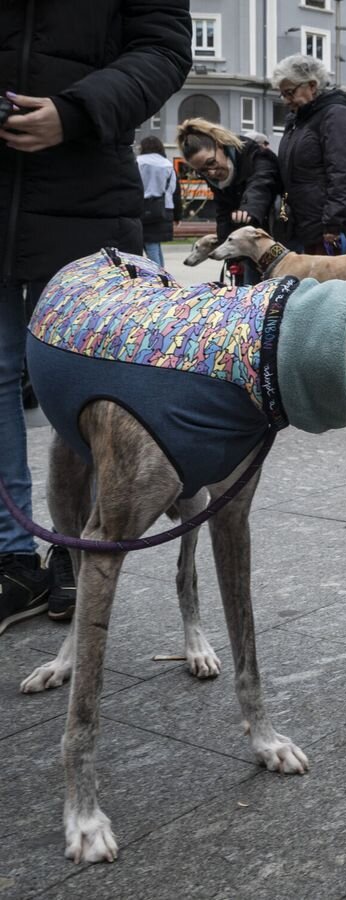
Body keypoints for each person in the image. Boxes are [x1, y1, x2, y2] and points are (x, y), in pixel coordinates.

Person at [0, 0, 191, 634]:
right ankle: (12, 555)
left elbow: (163, 47)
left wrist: (78, 111)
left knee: (87, 387)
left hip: (86, 191)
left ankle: (73, 545)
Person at [273, 54, 346, 255]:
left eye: (290, 93)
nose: (285, 101)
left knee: (335, 285)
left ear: (311, 85)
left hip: (334, 230)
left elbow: (343, 172)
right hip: (310, 227)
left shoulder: (336, 114)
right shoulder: (298, 120)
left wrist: (332, 223)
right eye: (282, 94)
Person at [177, 118, 282, 283]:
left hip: (282, 232)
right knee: (250, 297)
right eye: (202, 171)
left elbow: (261, 184)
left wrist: (249, 209)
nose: (211, 173)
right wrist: (225, 246)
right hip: (251, 246)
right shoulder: (216, 178)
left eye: (211, 163)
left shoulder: (255, 154)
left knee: (281, 292)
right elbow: (223, 212)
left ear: (220, 145)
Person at [135, 136, 177, 267]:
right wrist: (178, 215)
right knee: (154, 244)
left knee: (148, 244)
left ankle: (158, 277)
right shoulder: (168, 164)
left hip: (140, 207)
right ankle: (162, 273)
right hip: (163, 208)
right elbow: (174, 189)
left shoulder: (137, 162)